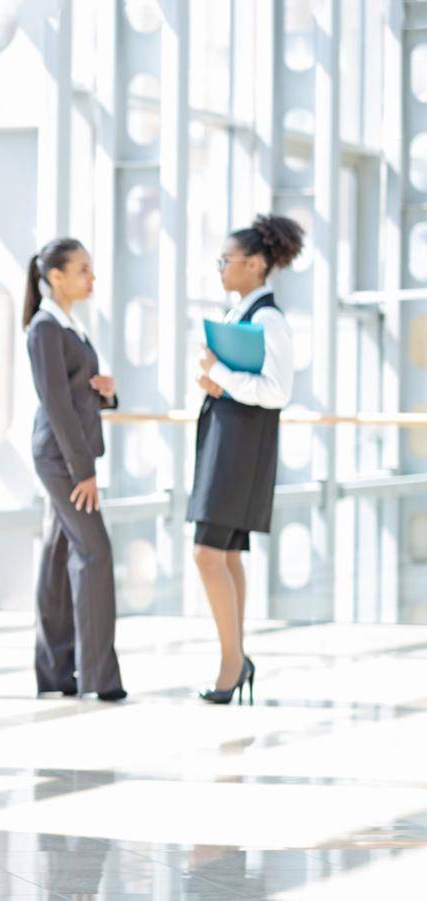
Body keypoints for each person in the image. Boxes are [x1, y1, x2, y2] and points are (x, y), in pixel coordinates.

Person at [189, 214, 304, 704]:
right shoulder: (242, 313)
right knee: (227, 553)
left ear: (255, 266)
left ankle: (232, 662)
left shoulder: (268, 319)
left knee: (207, 553)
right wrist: (216, 382)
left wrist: (221, 375)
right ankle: (236, 658)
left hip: (239, 448)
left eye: (226, 261)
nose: (220, 269)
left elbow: (277, 391)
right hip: (227, 438)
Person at [22, 238, 125, 702]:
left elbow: (77, 394)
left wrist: (106, 393)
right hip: (62, 459)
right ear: (56, 276)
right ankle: (98, 677)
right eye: (83, 269)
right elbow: (56, 405)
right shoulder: (45, 329)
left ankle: (57, 673)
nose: (92, 277)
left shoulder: (69, 326)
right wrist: (82, 470)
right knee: (95, 552)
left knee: (57, 560)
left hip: (71, 456)